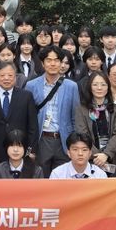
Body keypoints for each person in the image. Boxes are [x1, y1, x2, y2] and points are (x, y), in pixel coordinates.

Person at [25, 45, 80, 174]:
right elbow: (27, 118)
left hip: (64, 140)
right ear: (42, 63)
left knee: (63, 178)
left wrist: (74, 143)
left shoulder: (71, 86)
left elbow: (75, 117)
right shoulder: (31, 85)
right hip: (42, 139)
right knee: (42, 177)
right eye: (49, 60)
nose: (53, 64)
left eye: (56, 60)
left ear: (61, 63)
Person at [0, 61, 38, 164]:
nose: (6, 78)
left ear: (15, 77)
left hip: (20, 147)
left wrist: (31, 150)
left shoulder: (26, 96)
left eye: (10, 75)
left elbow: (33, 126)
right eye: (2, 75)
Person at [75, 71, 116, 175]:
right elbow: (82, 134)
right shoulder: (81, 109)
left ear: (108, 87)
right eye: (95, 84)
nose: (99, 88)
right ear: (90, 87)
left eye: (103, 84)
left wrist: (106, 154)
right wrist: (97, 156)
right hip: (90, 159)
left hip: (112, 158)